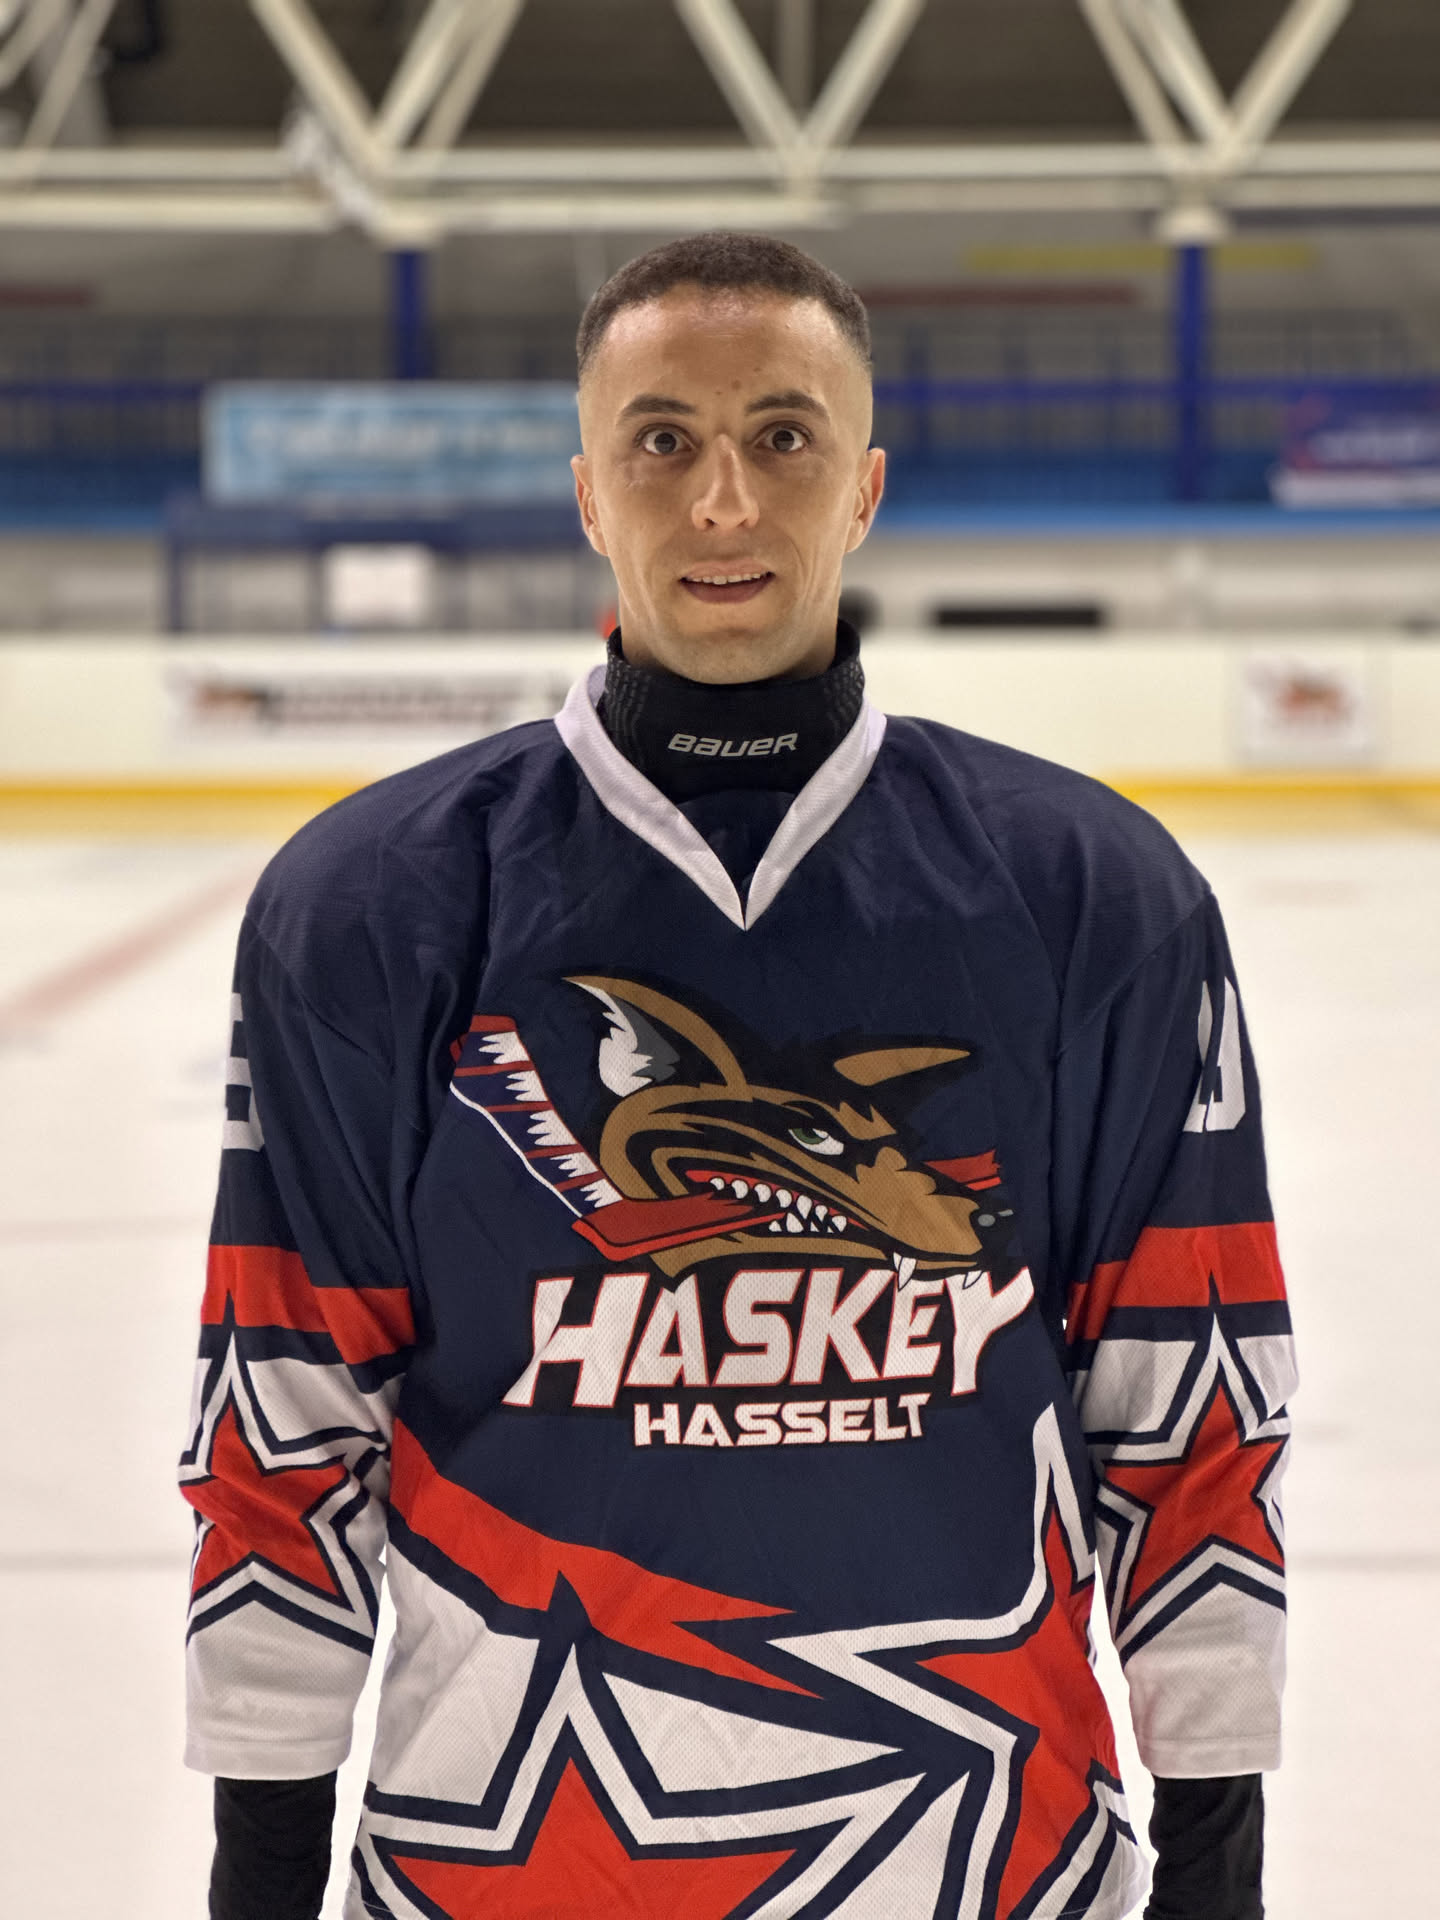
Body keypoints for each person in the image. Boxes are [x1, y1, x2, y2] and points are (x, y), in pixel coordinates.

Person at [182, 233, 1295, 1920]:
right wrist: (260, 1874)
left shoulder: (1093, 897)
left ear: (864, 489)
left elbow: (1192, 1418)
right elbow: (285, 1429)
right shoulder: (371, 906)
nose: (721, 502)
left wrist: (1217, 1865)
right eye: (662, 440)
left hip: (985, 1873)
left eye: (783, 436)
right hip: (501, 1875)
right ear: (586, 492)